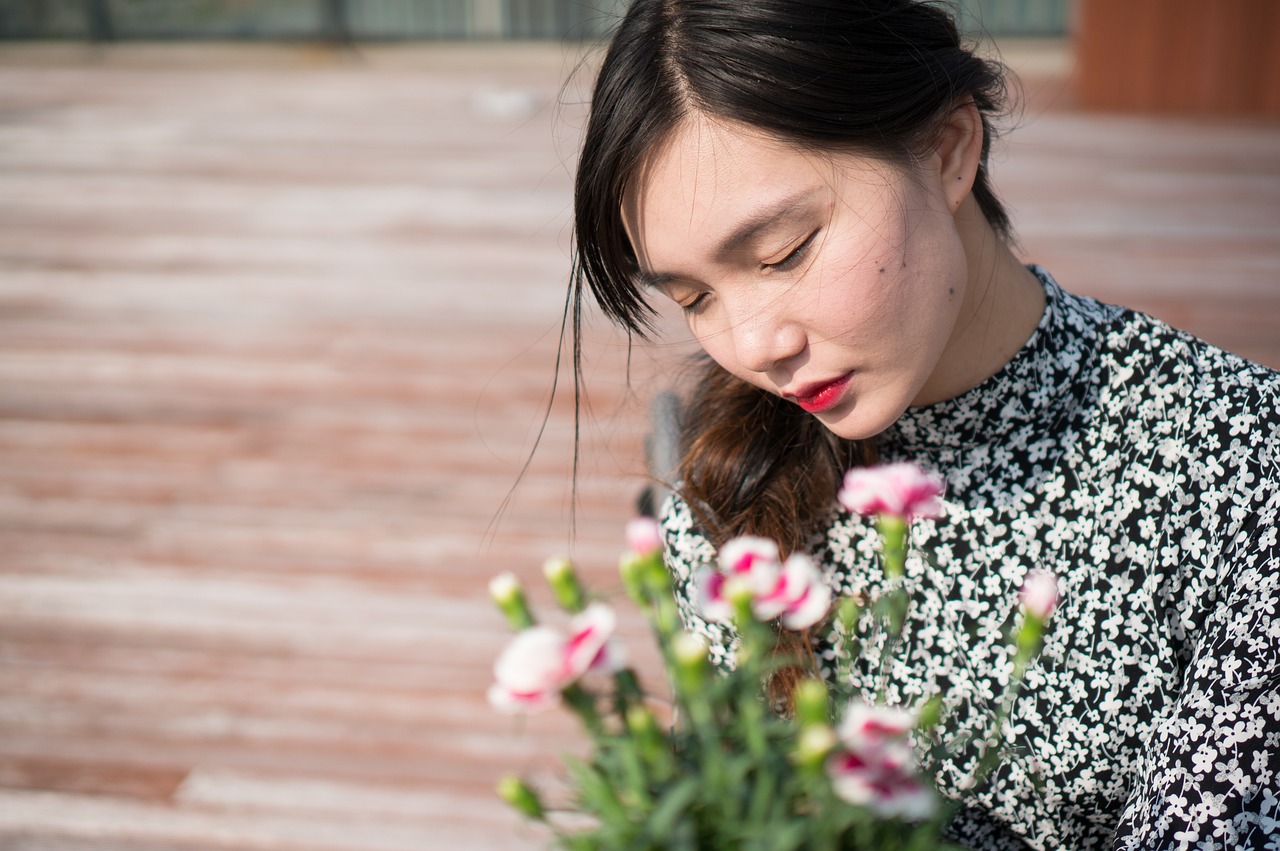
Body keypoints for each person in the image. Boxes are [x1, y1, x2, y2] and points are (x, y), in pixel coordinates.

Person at [567, 0, 1280, 848]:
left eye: (784, 252)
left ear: (947, 149)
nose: (755, 346)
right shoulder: (735, 459)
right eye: (694, 297)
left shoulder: (1234, 463)